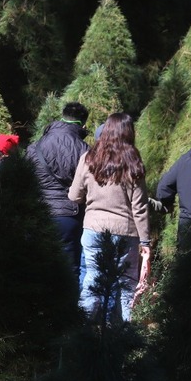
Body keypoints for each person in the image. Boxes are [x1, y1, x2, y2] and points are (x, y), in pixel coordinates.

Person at [68, 113, 150, 322]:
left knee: (92, 282)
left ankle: (82, 333)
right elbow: (139, 207)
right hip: (125, 232)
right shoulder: (134, 163)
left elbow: (74, 196)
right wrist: (145, 241)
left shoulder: (88, 159)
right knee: (125, 286)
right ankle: (123, 338)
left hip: (93, 229)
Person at [26, 101, 89, 277]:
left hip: (39, 213)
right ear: (83, 124)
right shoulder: (84, 149)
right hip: (69, 216)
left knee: (38, 268)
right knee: (68, 271)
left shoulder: (35, 146)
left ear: (62, 117)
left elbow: (25, 180)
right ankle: (67, 304)